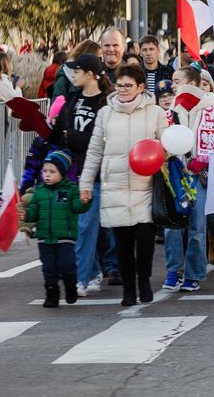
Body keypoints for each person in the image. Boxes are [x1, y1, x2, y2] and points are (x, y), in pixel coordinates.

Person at [79, 65, 168, 306]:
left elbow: (168, 146)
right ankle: (129, 288)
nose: (123, 90)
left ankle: (145, 280)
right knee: (123, 242)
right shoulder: (105, 114)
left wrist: (159, 154)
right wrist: (85, 182)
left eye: (128, 86)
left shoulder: (155, 113)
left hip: (145, 185)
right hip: (115, 185)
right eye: (119, 85)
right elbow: (95, 151)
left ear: (140, 87)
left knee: (145, 237)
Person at [52, 54, 117, 295]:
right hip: (75, 172)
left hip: (99, 174)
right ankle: (90, 273)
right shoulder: (73, 99)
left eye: (77, 71)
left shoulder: (106, 103)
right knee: (84, 226)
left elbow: (102, 139)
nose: (73, 75)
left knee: (88, 226)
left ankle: (81, 276)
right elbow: (60, 134)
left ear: (90, 74)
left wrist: (75, 138)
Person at [162, 66, 214, 293]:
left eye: (177, 80)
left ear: (191, 82)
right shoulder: (170, 111)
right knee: (172, 226)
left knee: (197, 226)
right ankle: (174, 270)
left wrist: (209, 160)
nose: (173, 84)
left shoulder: (212, 110)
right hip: (175, 175)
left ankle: (193, 273)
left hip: (200, 177)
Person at [20, 149, 91, 308]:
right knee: (49, 269)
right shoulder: (39, 192)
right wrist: (27, 215)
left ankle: (70, 286)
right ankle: (51, 294)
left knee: (67, 266)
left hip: (65, 237)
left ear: (62, 173)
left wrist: (85, 202)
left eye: (52, 171)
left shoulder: (71, 190)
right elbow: (35, 212)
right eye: (45, 171)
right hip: (45, 238)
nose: (47, 175)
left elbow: (77, 207)